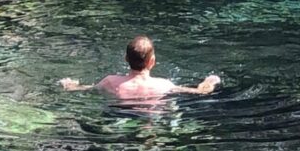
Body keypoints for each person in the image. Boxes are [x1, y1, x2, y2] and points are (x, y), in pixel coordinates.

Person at [59, 35, 221, 100]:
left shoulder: (110, 82)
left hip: (119, 115)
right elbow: (200, 92)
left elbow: (88, 89)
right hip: (152, 119)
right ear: (153, 61)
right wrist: (210, 81)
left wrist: (69, 84)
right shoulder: (163, 85)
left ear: (126, 59)